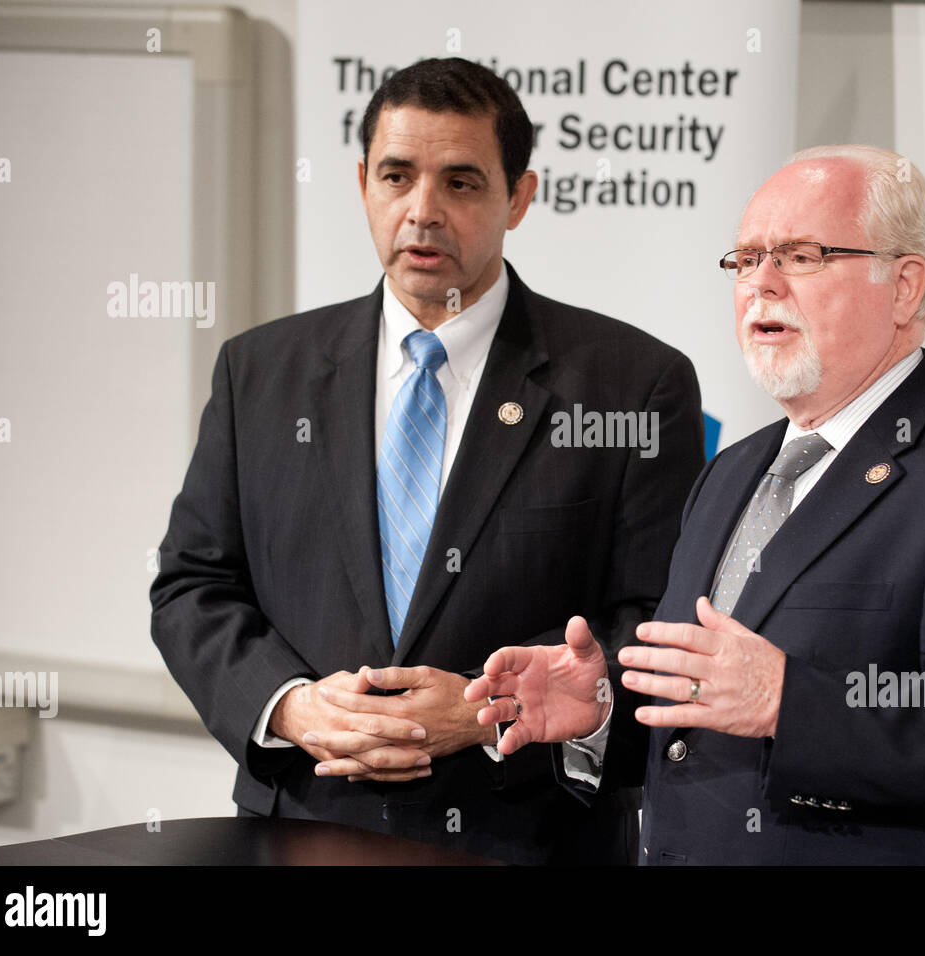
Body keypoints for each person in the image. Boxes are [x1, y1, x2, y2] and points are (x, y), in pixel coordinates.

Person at [466, 145, 925, 865]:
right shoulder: (731, 471)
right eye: (745, 259)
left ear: (904, 286)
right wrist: (601, 712)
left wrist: (792, 700)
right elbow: (703, 727)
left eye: (801, 255)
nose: (761, 283)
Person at [149, 57, 704, 864]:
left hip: (524, 837)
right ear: (362, 182)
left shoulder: (632, 383)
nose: (423, 212)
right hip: (299, 825)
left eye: (462, 183)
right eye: (398, 176)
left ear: (520, 197)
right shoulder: (260, 370)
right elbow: (193, 586)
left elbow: (653, 628)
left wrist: (490, 709)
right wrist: (293, 706)